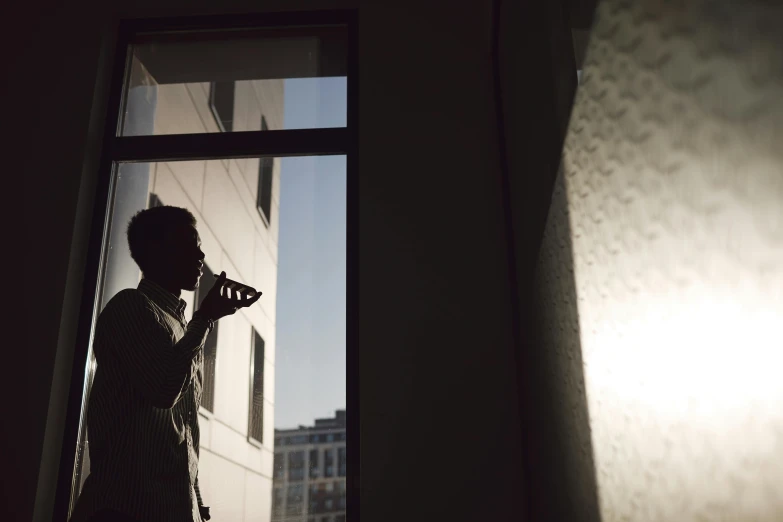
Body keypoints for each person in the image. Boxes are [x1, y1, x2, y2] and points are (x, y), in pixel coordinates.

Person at [70, 205, 260, 522]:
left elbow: (182, 433)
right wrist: (206, 318)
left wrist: (194, 502)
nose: (200, 255)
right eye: (189, 244)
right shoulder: (130, 307)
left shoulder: (183, 330)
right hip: (121, 510)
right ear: (157, 251)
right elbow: (163, 388)